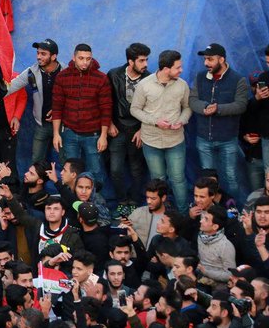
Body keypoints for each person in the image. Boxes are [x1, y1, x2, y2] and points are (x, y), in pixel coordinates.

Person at [129, 50, 191, 211]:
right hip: (152, 142)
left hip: (175, 140)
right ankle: (160, 213)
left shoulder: (182, 85)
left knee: (178, 179)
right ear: (166, 69)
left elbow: (187, 107)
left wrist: (182, 121)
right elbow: (135, 109)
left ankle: (184, 214)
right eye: (177, 68)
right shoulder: (145, 85)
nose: (181, 70)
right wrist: (155, 122)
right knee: (158, 180)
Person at [189, 43, 248, 202]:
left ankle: (232, 211)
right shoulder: (200, 77)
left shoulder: (238, 80)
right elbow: (192, 100)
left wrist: (218, 108)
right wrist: (205, 107)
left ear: (221, 59)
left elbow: (241, 105)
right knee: (208, 180)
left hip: (227, 139)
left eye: (210, 59)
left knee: (230, 177)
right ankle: (211, 212)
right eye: (205, 59)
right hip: (203, 139)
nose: (206, 63)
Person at [50, 43, 111, 189]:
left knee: (95, 172)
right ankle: (71, 204)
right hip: (69, 132)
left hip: (93, 134)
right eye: (81, 58)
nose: (85, 62)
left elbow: (106, 108)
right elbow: (57, 107)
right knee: (70, 172)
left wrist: (103, 136)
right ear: (74, 57)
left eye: (88, 59)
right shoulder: (62, 77)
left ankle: (94, 206)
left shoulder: (101, 78)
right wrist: (56, 134)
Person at [106, 42, 150, 205]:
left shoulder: (149, 79)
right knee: (115, 169)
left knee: (136, 169)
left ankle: (135, 201)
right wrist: (109, 123)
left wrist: (142, 130)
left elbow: (152, 108)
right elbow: (106, 102)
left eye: (146, 60)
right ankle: (122, 201)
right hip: (117, 129)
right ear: (130, 62)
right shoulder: (114, 74)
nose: (145, 64)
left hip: (138, 130)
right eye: (141, 61)